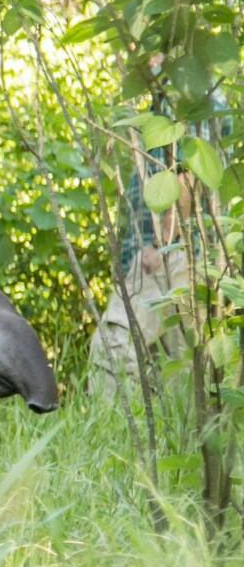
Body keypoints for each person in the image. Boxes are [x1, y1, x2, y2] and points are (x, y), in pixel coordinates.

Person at [87, 53, 230, 397]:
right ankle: (173, 442)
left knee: (114, 345)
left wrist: (162, 243)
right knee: (180, 366)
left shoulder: (186, 101)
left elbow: (188, 175)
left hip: (167, 255)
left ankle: (109, 429)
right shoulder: (176, 99)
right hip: (178, 256)